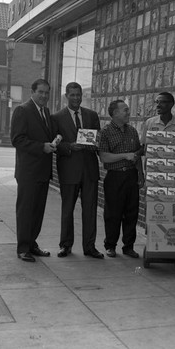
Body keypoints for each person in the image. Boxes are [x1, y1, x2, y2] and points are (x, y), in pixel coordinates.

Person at [51, 82, 103, 259]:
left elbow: (98, 139)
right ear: (66, 96)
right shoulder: (57, 117)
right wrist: (70, 146)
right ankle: (65, 245)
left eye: (78, 95)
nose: (76, 98)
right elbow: (55, 144)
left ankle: (89, 247)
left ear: (82, 95)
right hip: (69, 169)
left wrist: (95, 143)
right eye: (72, 95)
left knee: (90, 210)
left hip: (89, 170)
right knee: (67, 209)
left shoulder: (92, 115)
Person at [11, 78, 56, 262]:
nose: (44, 96)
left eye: (47, 93)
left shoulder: (45, 111)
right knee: (26, 210)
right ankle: (23, 248)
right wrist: (41, 147)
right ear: (33, 92)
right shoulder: (22, 110)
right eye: (41, 92)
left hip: (43, 171)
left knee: (38, 210)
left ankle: (31, 243)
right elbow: (17, 140)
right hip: (28, 172)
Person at [98, 100, 144, 258]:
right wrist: (125, 155)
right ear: (115, 113)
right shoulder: (105, 132)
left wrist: (141, 175)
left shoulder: (132, 131)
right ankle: (110, 245)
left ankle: (128, 246)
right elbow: (104, 157)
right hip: (115, 177)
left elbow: (137, 155)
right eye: (125, 110)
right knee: (113, 213)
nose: (128, 113)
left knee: (132, 212)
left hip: (131, 176)